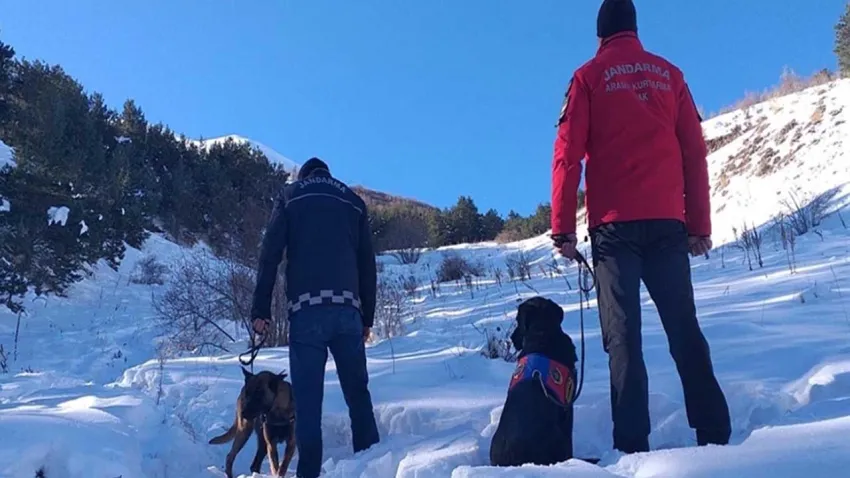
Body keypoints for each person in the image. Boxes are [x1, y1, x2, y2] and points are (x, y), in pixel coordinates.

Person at [550, 0, 731, 454]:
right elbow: (694, 153)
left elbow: (567, 155)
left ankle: (632, 448)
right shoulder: (670, 75)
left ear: (600, 35)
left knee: (623, 338)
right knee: (684, 330)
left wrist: (562, 228)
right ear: (634, 29)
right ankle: (716, 436)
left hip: (614, 231)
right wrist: (699, 225)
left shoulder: (588, 77)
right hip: (668, 223)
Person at [250, 157, 380, 478]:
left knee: (307, 405)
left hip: (307, 313)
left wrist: (261, 309)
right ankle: (372, 466)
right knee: (358, 396)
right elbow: (367, 264)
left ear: (304, 175)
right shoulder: (353, 201)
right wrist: (368, 317)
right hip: (348, 311)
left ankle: (308, 474)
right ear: (328, 175)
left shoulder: (290, 195)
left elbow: (270, 254)